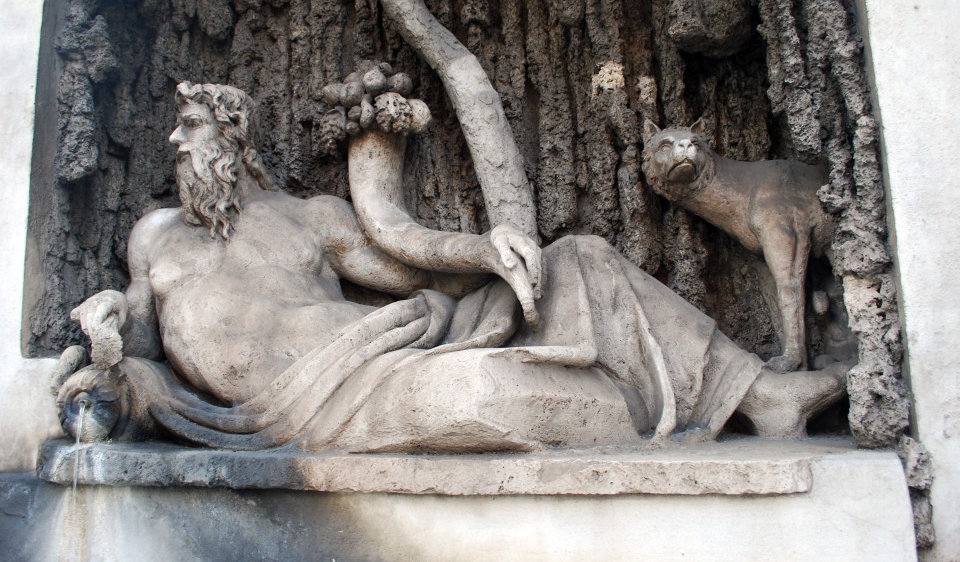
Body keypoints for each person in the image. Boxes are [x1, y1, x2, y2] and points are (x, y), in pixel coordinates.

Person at [54, 79, 848, 452]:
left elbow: (414, 267)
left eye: (192, 124)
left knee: (580, 256)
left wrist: (486, 250)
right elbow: (144, 328)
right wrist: (109, 318)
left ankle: (760, 394)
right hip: (304, 410)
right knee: (483, 393)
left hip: (385, 353)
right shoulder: (154, 236)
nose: (175, 140)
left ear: (233, 136)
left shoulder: (309, 217)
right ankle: (635, 405)